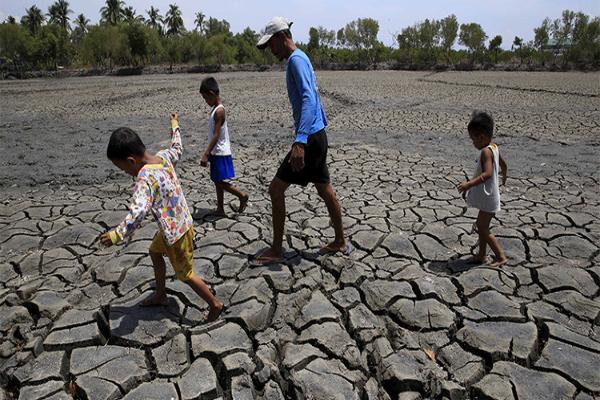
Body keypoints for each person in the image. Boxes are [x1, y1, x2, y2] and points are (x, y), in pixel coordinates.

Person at [99, 113, 224, 321]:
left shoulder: (144, 178)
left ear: (131, 161)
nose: (125, 172)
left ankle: (214, 303)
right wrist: (175, 125)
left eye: (122, 168)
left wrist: (116, 235)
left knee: (186, 274)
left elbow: (138, 211)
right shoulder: (163, 157)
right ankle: (161, 294)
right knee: (154, 252)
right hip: (181, 225)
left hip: (176, 235)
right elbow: (177, 148)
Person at [253, 16, 352, 265]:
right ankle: (340, 241)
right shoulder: (303, 57)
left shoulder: (295, 61)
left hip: (310, 138)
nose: (270, 51)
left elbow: (308, 98)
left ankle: (276, 250)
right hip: (318, 135)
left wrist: (300, 141)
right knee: (324, 189)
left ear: (280, 37)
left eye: (271, 45)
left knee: (275, 189)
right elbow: (314, 99)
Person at [458, 111, 508, 267]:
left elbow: (486, 174)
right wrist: (504, 173)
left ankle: (500, 257)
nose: (473, 143)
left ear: (481, 137)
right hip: (490, 197)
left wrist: (469, 184)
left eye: (473, 139)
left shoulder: (486, 151)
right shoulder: (494, 147)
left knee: (483, 228)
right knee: (481, 226)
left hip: (489, 199)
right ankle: (481, 255)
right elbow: (503, 164)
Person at [199, 77, 249, 217]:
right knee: (217, 181)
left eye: (205, 98)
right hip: (217, 151)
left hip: (220, 151)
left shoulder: (219, 111)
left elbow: (216, 134)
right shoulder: (216, 109)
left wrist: (206, 154)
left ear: (212, 93)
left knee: (217, 180)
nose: (205, 101)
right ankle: (220, 209)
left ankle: (241, 195)